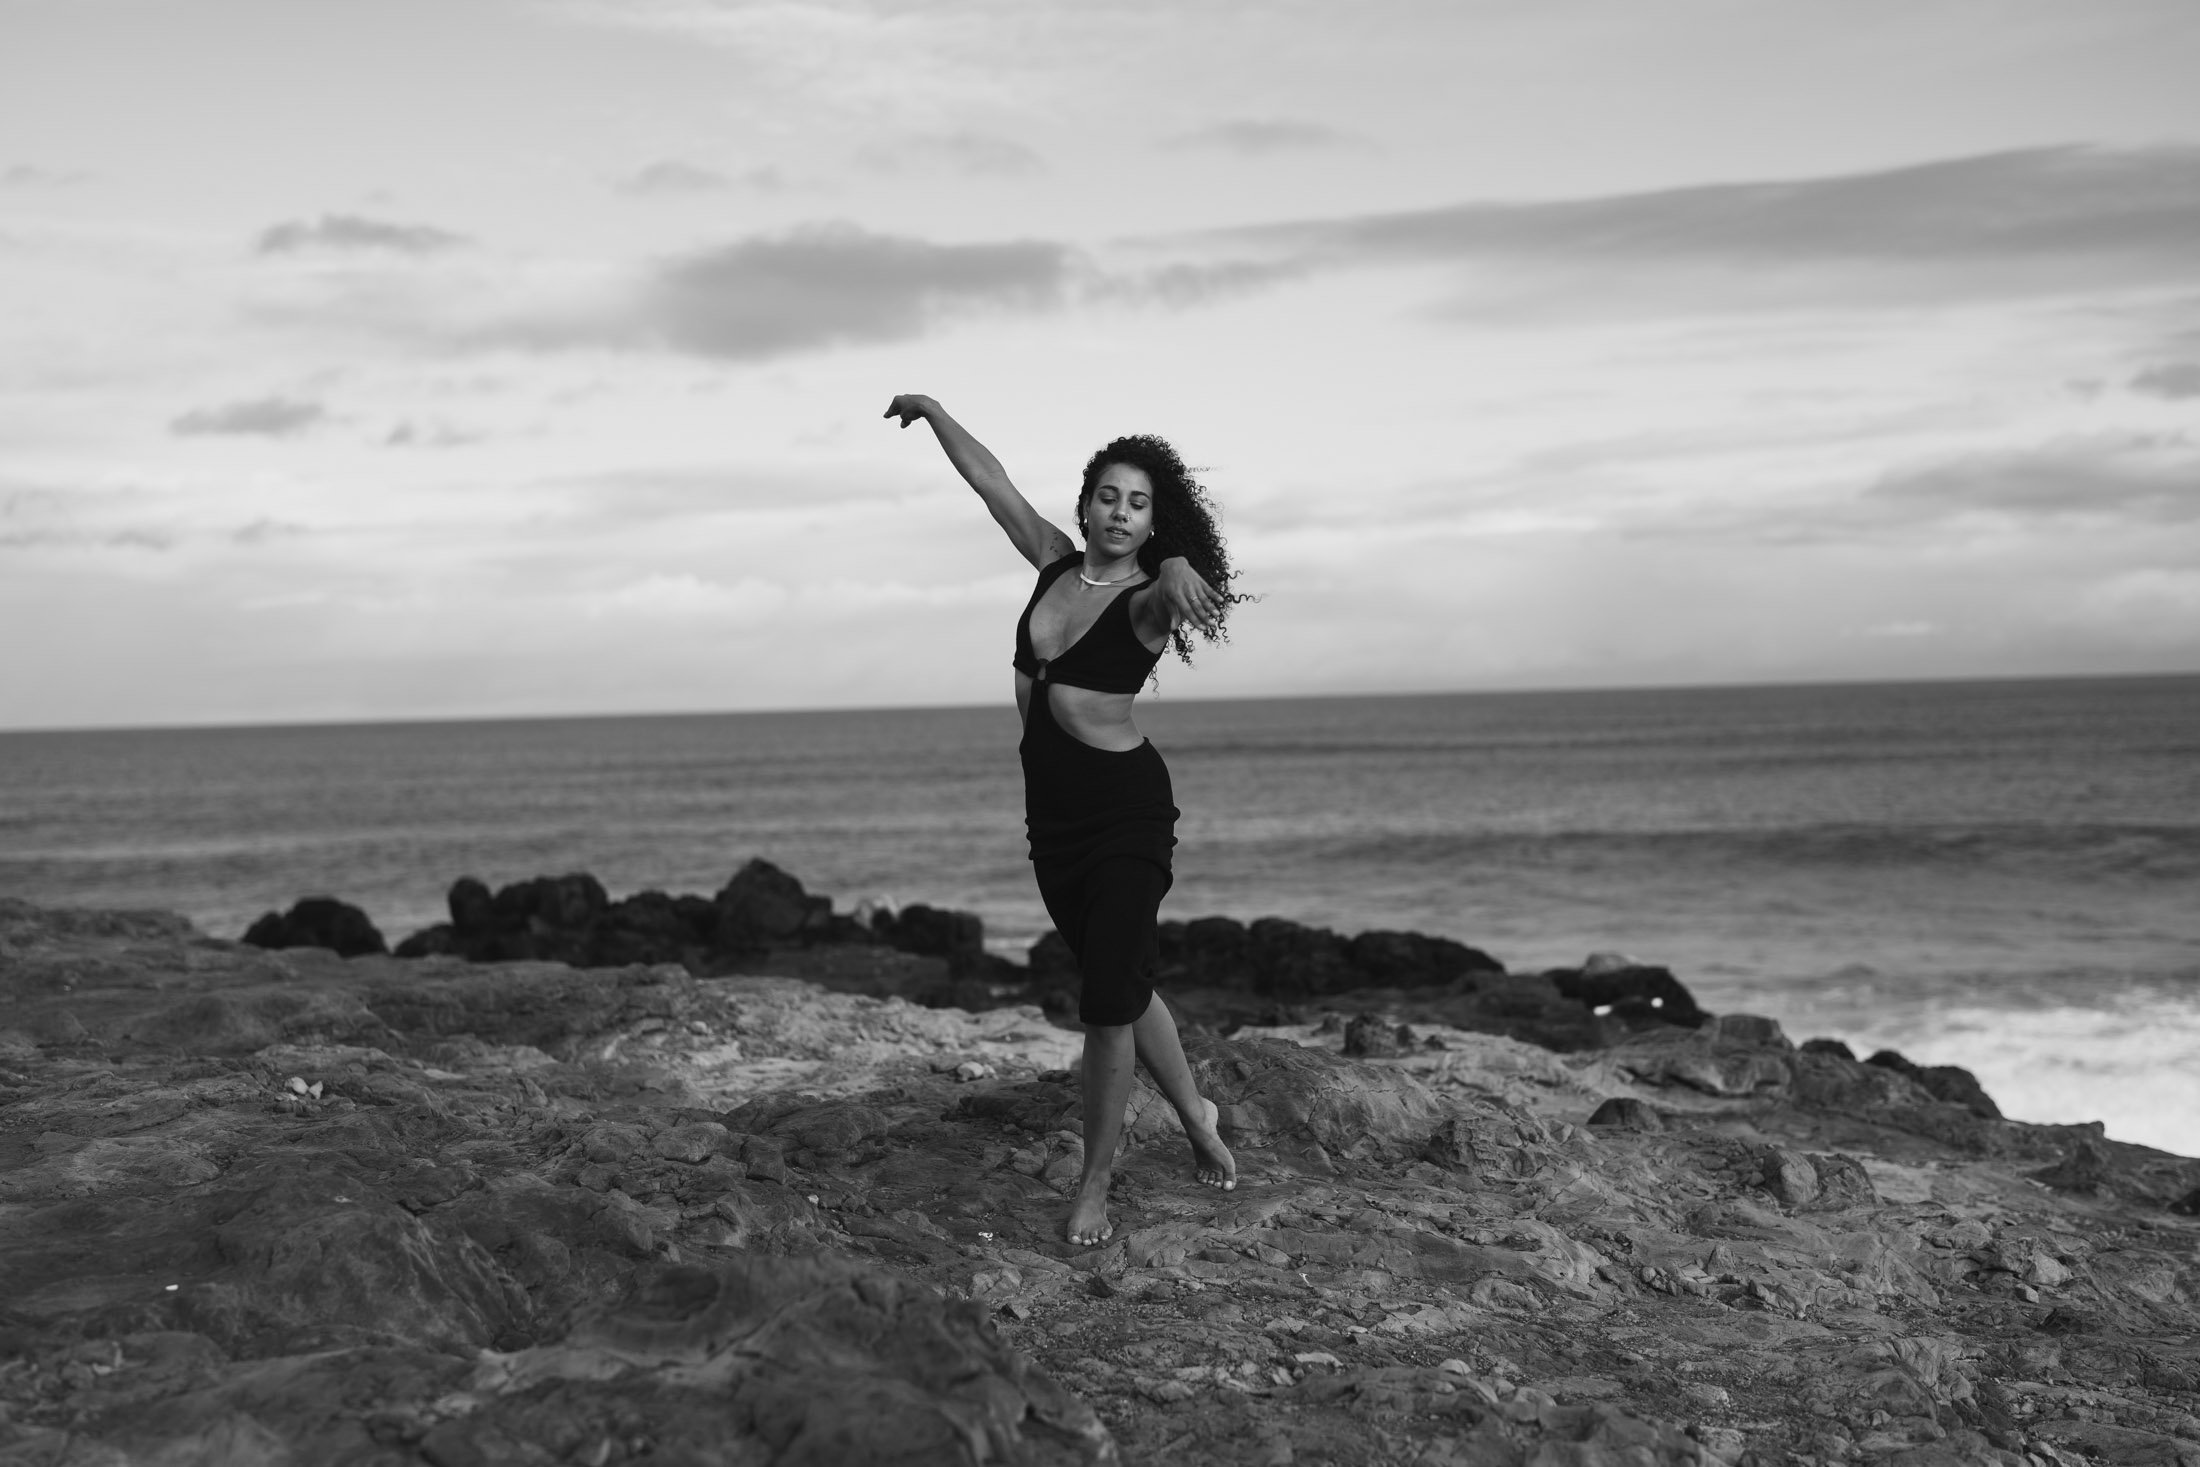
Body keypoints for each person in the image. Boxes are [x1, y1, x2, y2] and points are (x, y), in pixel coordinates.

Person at [885, 393, 1241, 1246]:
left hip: (1126, 818)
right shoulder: (1051, 562)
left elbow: (1179, 583)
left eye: (1138, 503)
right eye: (1109, 496)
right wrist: (934, 413)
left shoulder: (1150, 597)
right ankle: (1197, 1113)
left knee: (1103, 1006)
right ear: (1085, 504)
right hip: (1054, 826)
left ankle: (1095, 1185)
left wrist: (1184, 566)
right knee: (1125, 979)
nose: (1120, 513)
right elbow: (992, 483)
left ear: (1154, 523)